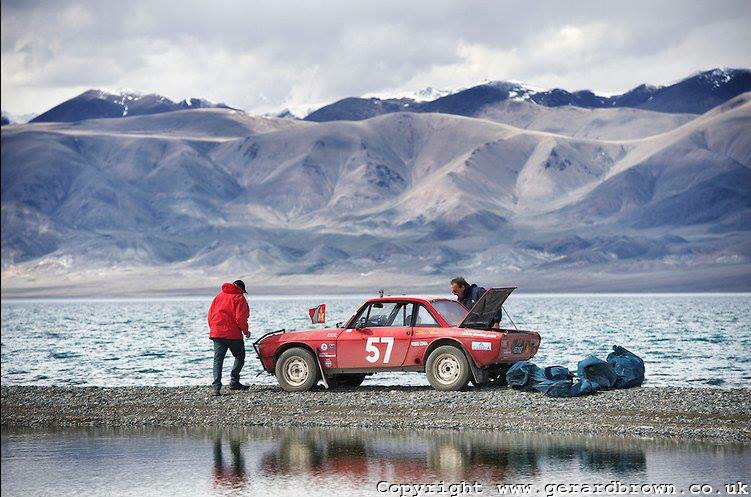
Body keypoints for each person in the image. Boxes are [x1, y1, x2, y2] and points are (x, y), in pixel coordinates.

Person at [208, 279, 250, 396]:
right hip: (233, 334)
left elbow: (210, 314)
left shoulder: (219, 296)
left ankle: (216, 388)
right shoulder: (239, 297)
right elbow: (240, 318)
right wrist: (246, 331)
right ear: (241, 289)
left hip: (217, 333)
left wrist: (213, 328)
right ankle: (234, 382)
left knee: (218, 360)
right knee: (240, 357)